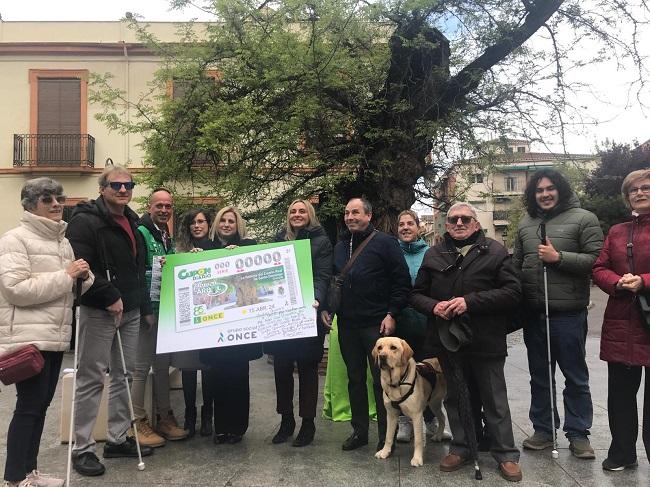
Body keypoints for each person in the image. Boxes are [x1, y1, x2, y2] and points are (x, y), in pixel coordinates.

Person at [411, 202, 522, 482]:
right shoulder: (434, 254)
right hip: (448, 340)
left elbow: (512, 292)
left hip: (485, 339)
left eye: (465, 219)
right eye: (453, 220)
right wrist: (434, 306)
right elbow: (416, 294)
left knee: (494, 399)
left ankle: (505, 453)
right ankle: (461, 447)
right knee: (456, 396)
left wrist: (469, 302)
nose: (459, 223)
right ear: (446, 225)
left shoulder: (495, 251)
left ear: (475, 223)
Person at [0, 178, 94, 487]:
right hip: (29, 339)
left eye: (59, 198)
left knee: (40, 408)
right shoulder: (15, 239)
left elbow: (72, 287)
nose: (56, 204)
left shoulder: (61, 241)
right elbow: (16, 290)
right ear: (29, 205)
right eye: (47, 199)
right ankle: (15, 478)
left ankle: (30, 473)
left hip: (54, 336)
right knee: (28, 409)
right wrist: (67, 275)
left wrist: (84, 275)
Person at [66, 166, 155, 477]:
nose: (123, 189)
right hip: (99, 310)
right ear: (102, 187)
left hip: (129, 311)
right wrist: (108, 296)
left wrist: (142, 306)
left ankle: (117, 439)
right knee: (91, 378)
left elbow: (137, 267)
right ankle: (82, 448)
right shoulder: (84, 220)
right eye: (116, 184)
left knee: (125, 375)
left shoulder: (133, 221)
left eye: (128, 184)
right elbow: (81, 265)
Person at [513, 169, 603, 459]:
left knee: (575, 376)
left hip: (568, 314)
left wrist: (558, 258)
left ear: (560, 189)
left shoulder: (584, 219)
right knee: (540, 376)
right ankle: (543, 429)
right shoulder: (526, 224)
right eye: (539, 190)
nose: (545, 194)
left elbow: (596, 261)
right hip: (534, 313)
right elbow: (517, 265)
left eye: (550, 188)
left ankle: (578, 433)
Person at [321, 197, 411, 452]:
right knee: (354, 379)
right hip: (347, 325)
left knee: (380, 382)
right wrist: (328, 308)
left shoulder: (385, 243)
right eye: (347, 213)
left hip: (377, 325)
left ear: (368, 216)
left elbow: (401, 282)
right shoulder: (340, 247)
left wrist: (392, 313)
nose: (350, 217)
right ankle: (359, 432)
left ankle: (386, 438)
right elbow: (332, 282)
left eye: (356, 213)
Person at [592, 169, 650, 471]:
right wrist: (617, 282)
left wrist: (644, 280)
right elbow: (599, 267)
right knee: (620, 397)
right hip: (622, 320)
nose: (639, 193)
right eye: (633, 190)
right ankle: (622, 453)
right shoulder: (617, 231)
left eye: (645, 188)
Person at [266, 199, 333, 447]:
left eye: (302, 211)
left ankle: (307, 423)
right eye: (293, 211)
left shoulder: (321, 241)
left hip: (308, 314)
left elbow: (323, 276)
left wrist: (315, 298)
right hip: (281, 317)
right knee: (281, 369)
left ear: (310, 214)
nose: (297, 214)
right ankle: (286, 421)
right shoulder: (278, 239)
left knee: (307, 370)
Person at [199, 206, 263, 444]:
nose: (226, 224)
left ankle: (238, 428)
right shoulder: (204, 248)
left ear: (238, 226)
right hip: (214, 328)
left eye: (231, 222)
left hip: (239, 327)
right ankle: (221, 428)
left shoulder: (248, 246)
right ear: (217, 223)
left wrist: (241, 255)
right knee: (217, 379)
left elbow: (253, 285)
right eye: (223, 220)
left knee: (238, 378)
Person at [130, 188, 187, 447]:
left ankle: (164, 417)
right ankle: (136, 422)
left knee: (163, 366)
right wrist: (144, 310)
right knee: (141, 368)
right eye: (159, 206)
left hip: (164, 312)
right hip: (147, 313)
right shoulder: (140, 232)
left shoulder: (165, 235)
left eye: (168, 206)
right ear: (150, 206)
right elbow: (136, 272)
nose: (164, 210)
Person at [174, 208, 217, 437]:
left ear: (209, 225)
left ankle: (207, 415)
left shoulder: (218, 249)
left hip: (211, 318)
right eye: (193, 222)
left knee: (209, 368)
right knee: (188, 368)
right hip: (188, 319)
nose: (197, 225)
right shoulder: (180, 250)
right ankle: (190, 416)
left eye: (201, 221)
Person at [393, 210, 431, 442]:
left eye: (410, 224)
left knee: (426, 373)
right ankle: (404, 422)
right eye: (401, 224)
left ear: (418, 227)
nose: (405, 227)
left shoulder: (431, 253)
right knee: (401, 374)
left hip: (426, 323)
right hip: (400, 324)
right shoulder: (391, 253)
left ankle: (431, 419)